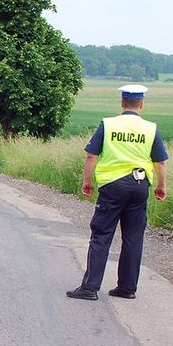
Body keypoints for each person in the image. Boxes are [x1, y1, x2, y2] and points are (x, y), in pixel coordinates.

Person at [67, 84, 168, 301]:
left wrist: (87, 181)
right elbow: (160, 162)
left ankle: (90, 287)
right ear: (141, 104)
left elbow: (92, 156)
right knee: (133, 237)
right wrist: (161, 186)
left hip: (112, 186)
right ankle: (127, 287)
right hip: (140, 186)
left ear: (122, 103)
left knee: (102, 235)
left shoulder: (108, 124)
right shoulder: (151, 128)